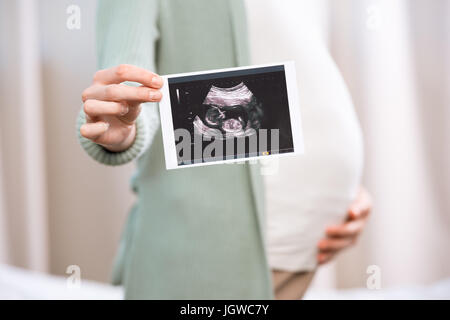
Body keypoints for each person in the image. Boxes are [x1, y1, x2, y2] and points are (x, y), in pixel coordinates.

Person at [78, 0, 370, 299]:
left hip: (304, 244)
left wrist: (345, 193)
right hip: (218, 248)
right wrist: (121, 126)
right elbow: (130, 86)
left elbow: (300, 68)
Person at [246, 0, 372, 299]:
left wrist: (343, 187)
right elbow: (136, 96)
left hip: (304, 228)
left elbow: (306, 77)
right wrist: (119, 137)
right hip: (236, 229)